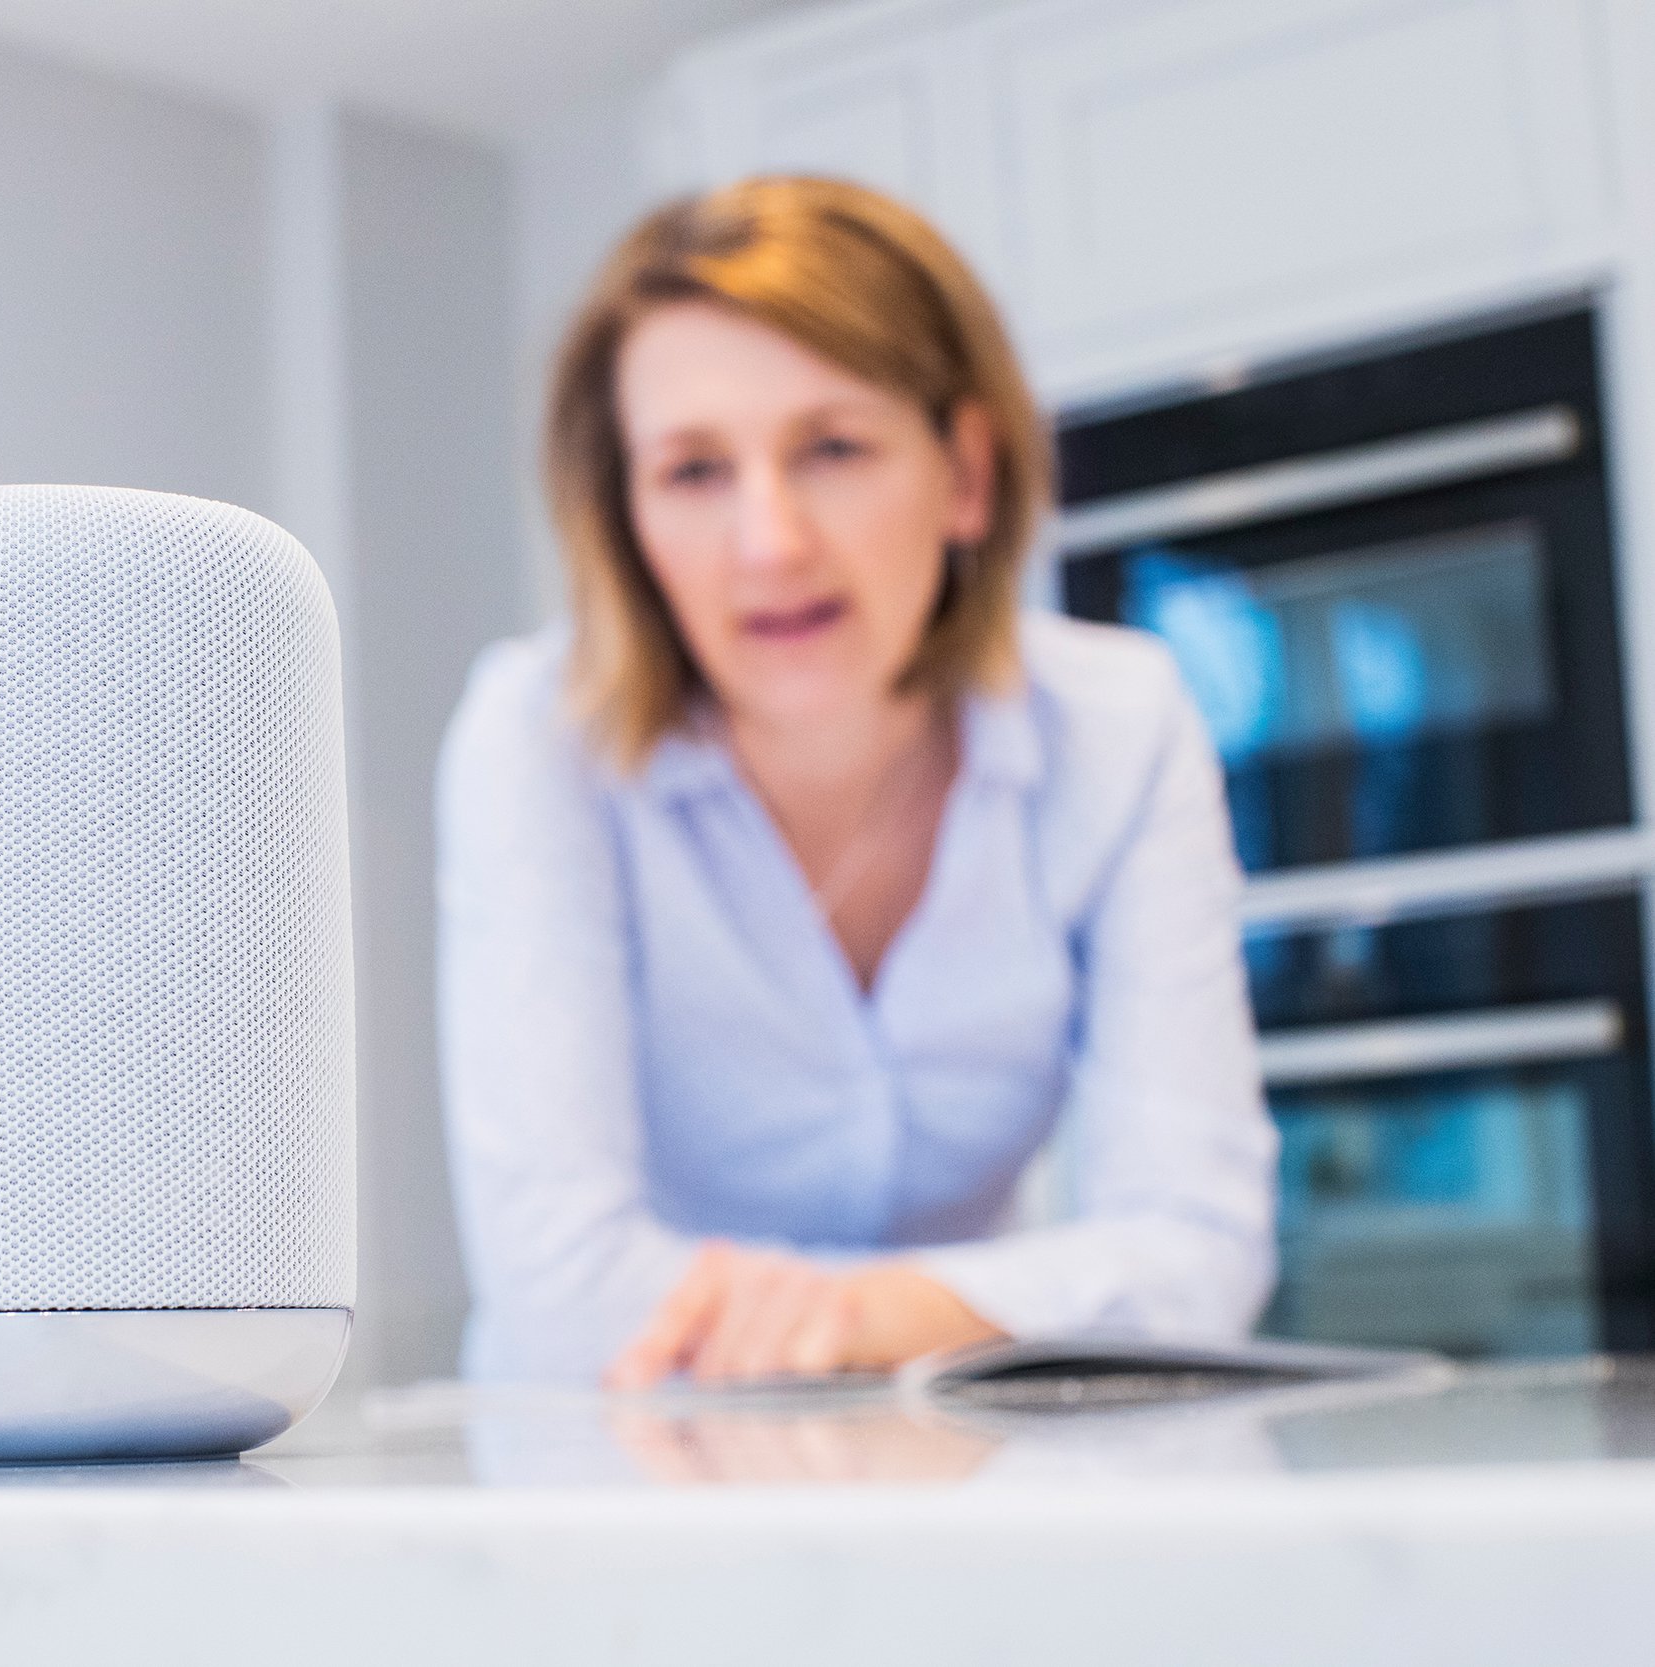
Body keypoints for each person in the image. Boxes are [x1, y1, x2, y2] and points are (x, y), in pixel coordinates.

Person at [435, 176, 1277, 1388]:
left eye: (832, 448)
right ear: (624, 518)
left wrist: (865, 1317)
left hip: (961, 1449)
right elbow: (560, 1281)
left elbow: (1200, 1251)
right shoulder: (535, 738)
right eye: (692, 471)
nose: (770, 542)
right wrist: (956, 1311)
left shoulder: (1119, 726)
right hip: (615, 1459)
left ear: (966, 474)